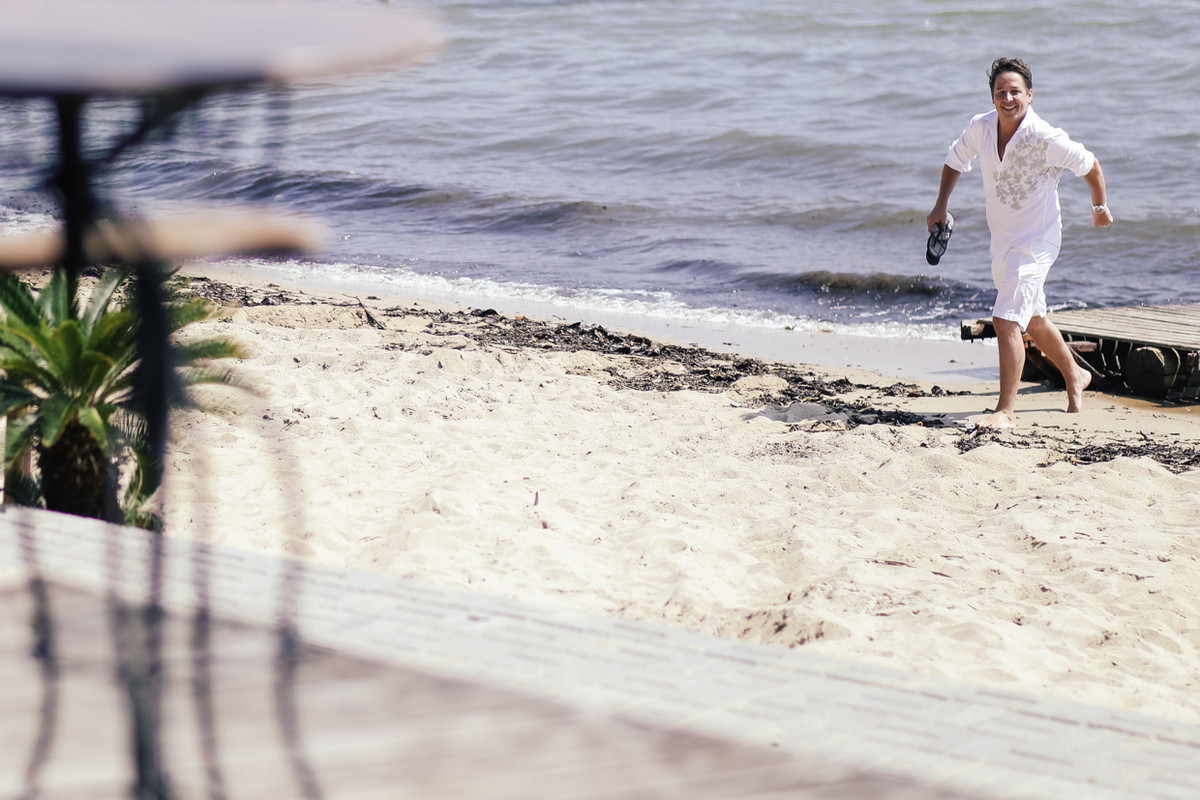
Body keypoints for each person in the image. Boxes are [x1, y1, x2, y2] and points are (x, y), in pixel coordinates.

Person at [927, 57, 1112, 429]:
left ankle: (1005, 411)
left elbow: (1091, 165)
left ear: (1029, 95)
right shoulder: (981, 127)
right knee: (1033, 319)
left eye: (1015, 91)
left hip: (1038, 239)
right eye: (1000, 92)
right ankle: (1075, 375)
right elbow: (955, 159)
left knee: (1005, 319)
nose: (1007, 98)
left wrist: (1099, 207)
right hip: (1004, 240)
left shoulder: (1045, 137)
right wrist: (939, 207)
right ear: (992, 97)